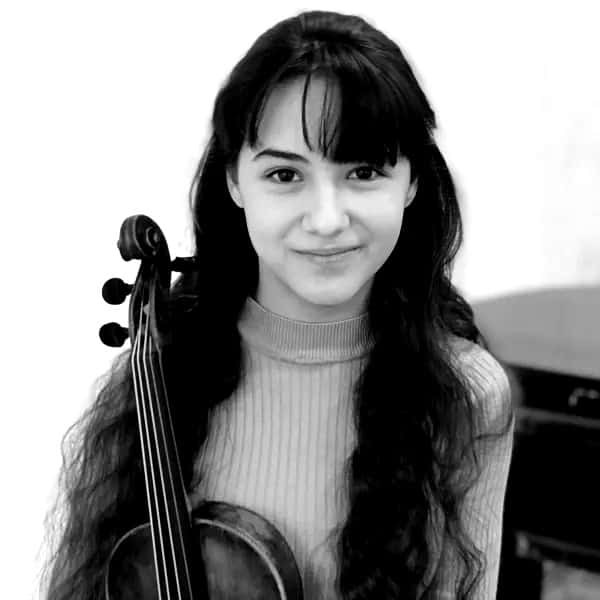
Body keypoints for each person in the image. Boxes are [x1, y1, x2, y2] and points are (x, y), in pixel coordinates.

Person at [42, 9, 514, 600]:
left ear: (412, 181)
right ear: (234, 181)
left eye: (364, 171)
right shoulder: (160, 372)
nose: (326, 219)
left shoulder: (465, 395)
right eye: (285, 175)